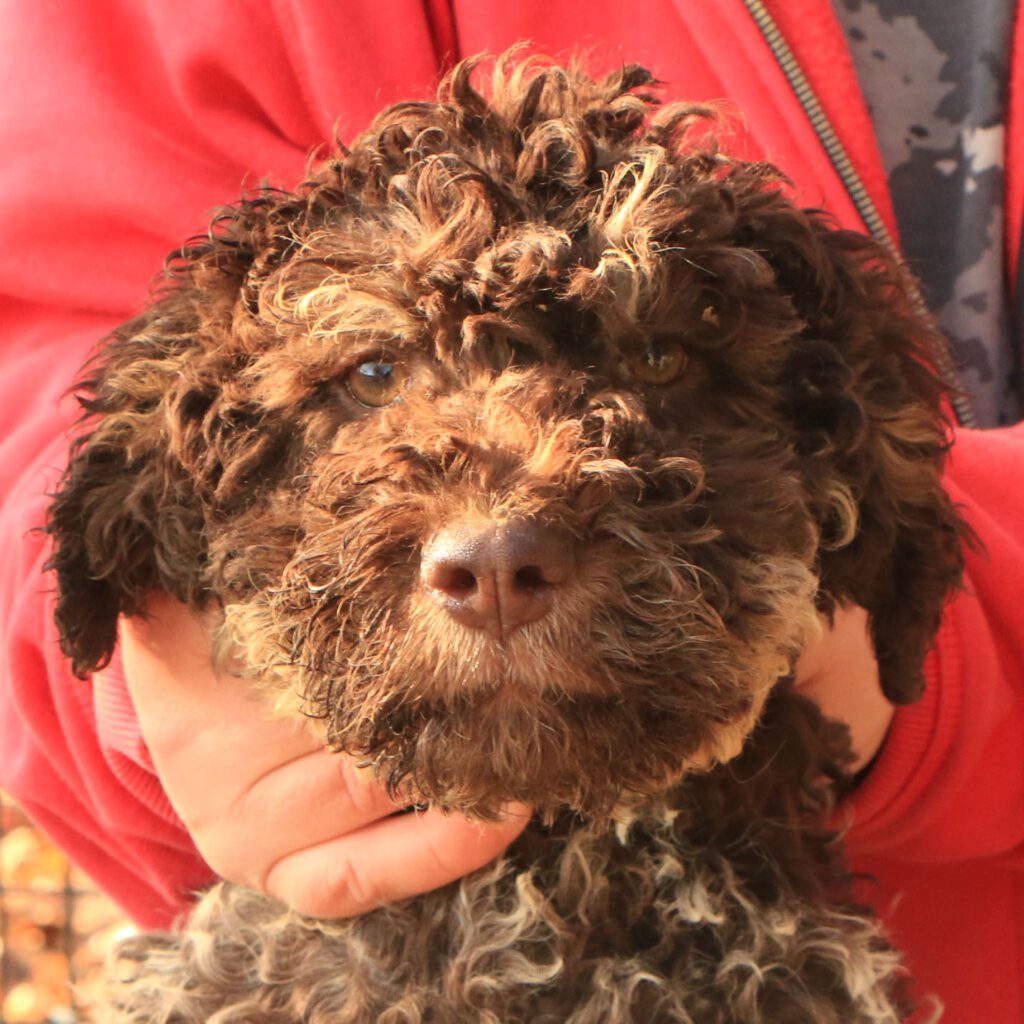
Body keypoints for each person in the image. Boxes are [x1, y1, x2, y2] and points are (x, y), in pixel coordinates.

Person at [1, 2, 1021, 1020]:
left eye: (655, 359)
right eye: (370, 372)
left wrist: (958, 651)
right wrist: (129, 691)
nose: (497, 533)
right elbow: (46, 319)